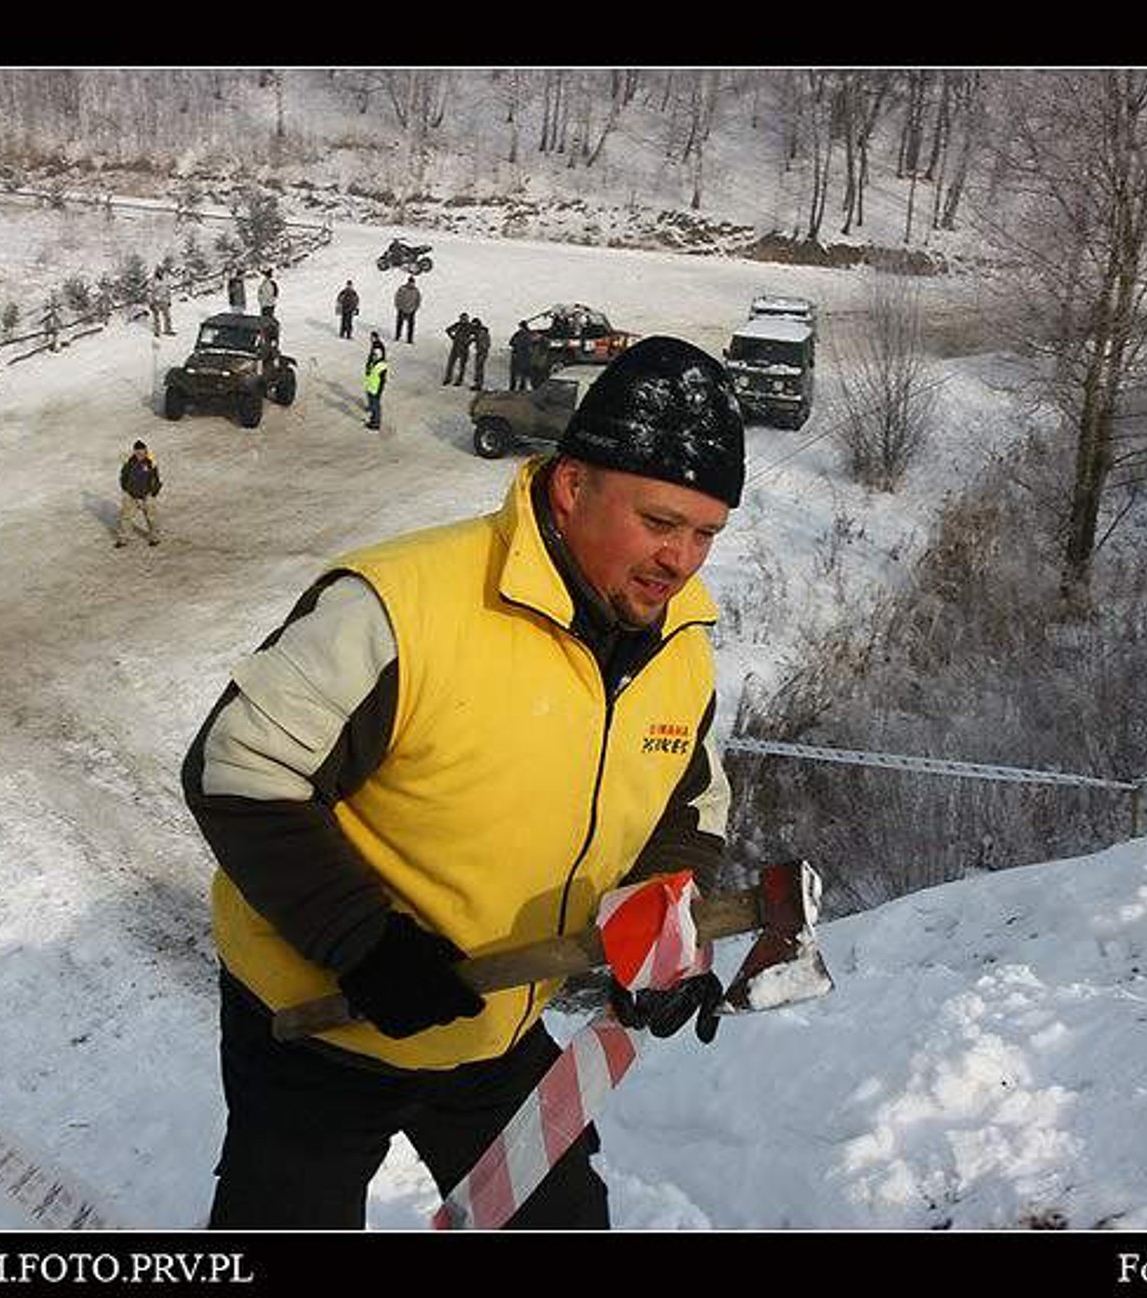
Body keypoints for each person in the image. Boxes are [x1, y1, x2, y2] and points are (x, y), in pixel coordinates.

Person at [180, 336, 745, 1230]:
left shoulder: (681, 648)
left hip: (499, 1037)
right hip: (322, 1028)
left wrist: (660, 920)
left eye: (705, 533)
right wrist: (365, 944)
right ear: (572, 487)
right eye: (660, 522)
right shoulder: (403, 605)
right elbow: (239, 770)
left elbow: (690, 803)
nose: (680, 561)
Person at [115, 440, 163, 548]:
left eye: (142, 452)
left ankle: (154, 538)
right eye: (138, 452)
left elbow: (156, 479)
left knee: (151, 518)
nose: (140, 454)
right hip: (131, 495)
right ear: (134, 452)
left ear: (146, 451)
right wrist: (126, 490)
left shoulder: (151, 463)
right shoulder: (128, 462)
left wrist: (153, 492)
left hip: (147, 494)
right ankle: (123, 539)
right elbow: (123, 477)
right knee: (125, 517)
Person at [442, 312, 475, 386]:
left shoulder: (470, 326)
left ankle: (459, 380)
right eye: (461, 319)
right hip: (455, 346)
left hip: (464, 348)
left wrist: (469, 341)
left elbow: (476, 335)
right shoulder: (458, 325)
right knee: (451, 364)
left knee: (462, 365)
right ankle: (448, 378)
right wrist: (452, 337)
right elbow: (448, 330)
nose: (462, 320)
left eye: (464, 319)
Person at [363, 346, 388, 431]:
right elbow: (368, 372)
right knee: (373, 406)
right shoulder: (372, 363)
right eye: (373, 354)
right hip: (370, 387)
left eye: (375, 355)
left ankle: (376, 424)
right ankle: (373, 420)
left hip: (376, 389)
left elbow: (383, 380)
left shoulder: (382, 366)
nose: (373, 356)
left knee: (376, 406)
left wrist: (379, 392)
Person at [508, 320, 535, 391]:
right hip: (525, 356)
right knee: (523, 372)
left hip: (518, 355)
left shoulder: (518, 334)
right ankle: (521, 387)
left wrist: (516, 345)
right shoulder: (529, 334)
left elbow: (511, 342)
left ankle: (514, 387)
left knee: (515, 372)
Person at [393, 275, 421, 344]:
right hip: (402, 309)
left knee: (411, 326)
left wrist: (415, 308)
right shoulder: (402, 289)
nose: (411, 284)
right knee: (399, 324)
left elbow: (418, 300)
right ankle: (397, 336)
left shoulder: (416, 291)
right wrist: (398, 307)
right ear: (408, 282)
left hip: (411, 310)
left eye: (413, 282)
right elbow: (397, 297)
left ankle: (409, 339)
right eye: (410, 282)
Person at [150, 267, 174, 337]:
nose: (161, 273)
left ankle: (168, 330)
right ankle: (157, 331)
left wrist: (169, 300)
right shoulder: (153, 281)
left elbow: (168, 291)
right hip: (156, 301)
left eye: (162, 271)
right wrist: (151, 302)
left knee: (167, 316)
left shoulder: (165, 280)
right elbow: (150, 292)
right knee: (156, 317)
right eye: (159, 271)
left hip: (164, 301)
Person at [469, 317, 492, 391]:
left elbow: (486, 343)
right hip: (480, 351)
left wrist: (483, 349)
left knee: (479, 368)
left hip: (482, 352)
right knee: (478, 368)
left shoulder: (482, 332)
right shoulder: (479, 331)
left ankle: (479, 385)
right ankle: (478, 384)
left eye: (474, 324)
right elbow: (475, 339)